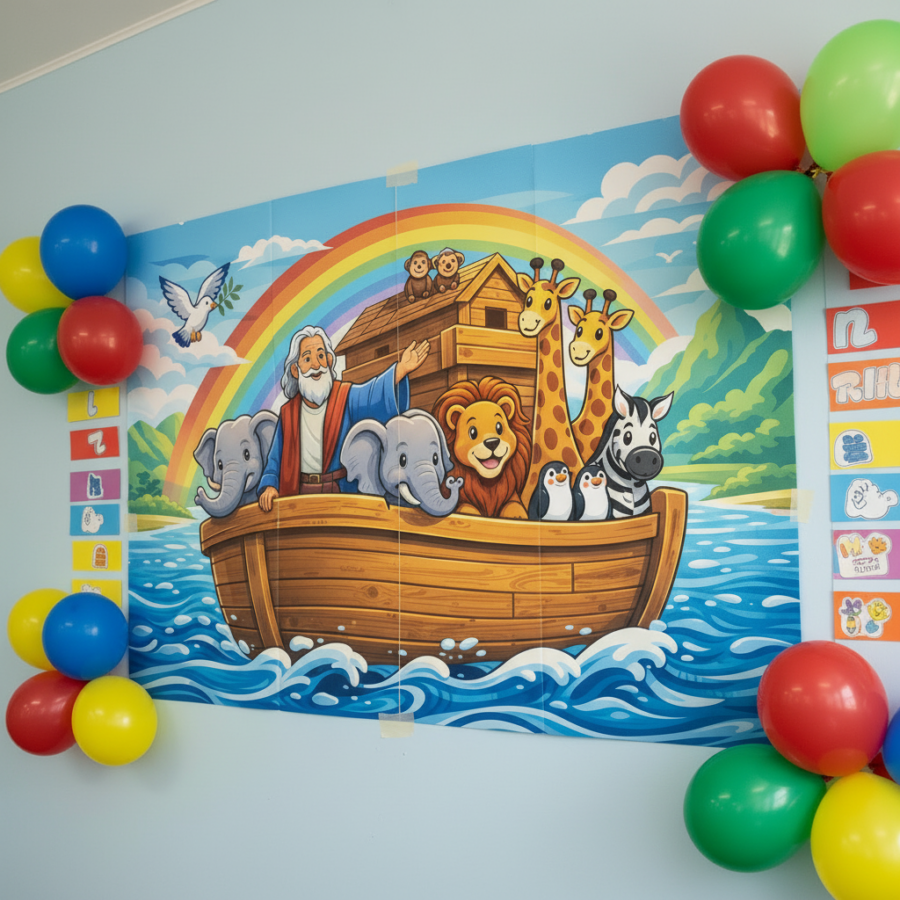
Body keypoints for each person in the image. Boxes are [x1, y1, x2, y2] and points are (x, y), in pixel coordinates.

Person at [258, 325, 429, 510]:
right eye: (307, 359)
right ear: (295, 369)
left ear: (329, 360)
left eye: (321, 356)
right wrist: (270, 486)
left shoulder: (346, 397)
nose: (316, 365)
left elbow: (372, 394)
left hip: (340, 494)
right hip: (299, 495)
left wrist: (401, 370)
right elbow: (275, 460)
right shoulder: (288, 413)